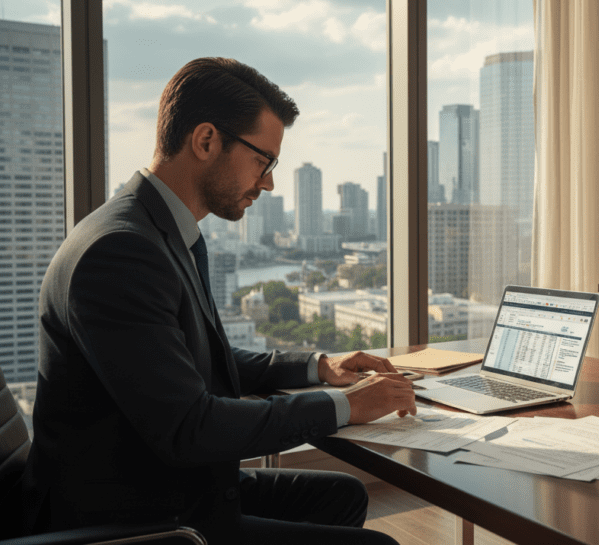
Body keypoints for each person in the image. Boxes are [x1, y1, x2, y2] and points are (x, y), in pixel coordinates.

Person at [22, 57, 416, 545]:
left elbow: (194, 359)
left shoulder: (161, 232)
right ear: (206, 140)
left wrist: (319, 367)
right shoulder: (119, 252)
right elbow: (191, 425)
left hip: (168, 487)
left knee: (344, 496)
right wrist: (344, 405)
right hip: (135, 520)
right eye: (263, 160)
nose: (269, 182)